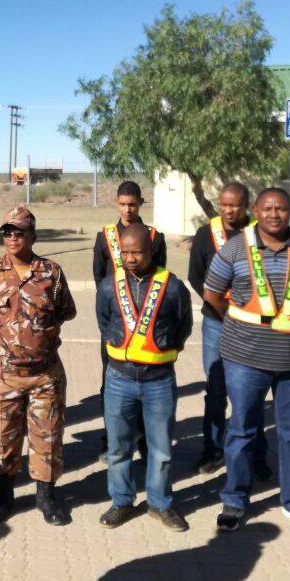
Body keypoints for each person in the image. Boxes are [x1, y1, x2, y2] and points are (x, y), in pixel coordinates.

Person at [203, 187, 290, 535]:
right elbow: (212, 295)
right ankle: (235, 500)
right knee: (242, 430)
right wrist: (240, 328)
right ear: (256, 212)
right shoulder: (234, 249)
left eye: (281, 209)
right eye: (267, 209)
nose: (274, 215)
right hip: (244, 359)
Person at [0, 206, 76, 526]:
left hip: (44, 374)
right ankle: (4, 495)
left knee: (47, 437)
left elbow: (65, 312)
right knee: (1, 438)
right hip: (2, 375)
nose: (13, 238)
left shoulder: (51, 272)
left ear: (32, 236)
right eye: (7, 233)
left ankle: (46, 497)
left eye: (19, 232)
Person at [96, 224, 192, 532]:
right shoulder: (109, 286)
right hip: (119, 379)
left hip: (159, 380)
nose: (131, 258)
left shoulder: (173, 286)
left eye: (137, 252)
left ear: (151, 252)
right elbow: (103, 321)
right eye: (125, 252)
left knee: (161, 448)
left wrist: (164, 347)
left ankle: (160, 503)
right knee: (118, 446)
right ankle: (121, 501)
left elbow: (184, 325)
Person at [187, 182, 272, 479]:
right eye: (223, 204)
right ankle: (211, 450)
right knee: (215, 389)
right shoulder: (206, 233)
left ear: (247, 205)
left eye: (234, 205)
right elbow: (195, 276)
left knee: (252, 391)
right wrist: (219, 307)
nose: (228, 210)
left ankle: (256, 455)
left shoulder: (261, 232)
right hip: (216, 322)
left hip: (252, 325)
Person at [92, 181, 166, 455]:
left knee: (147, 379)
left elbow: (161, 278)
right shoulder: (105, 236)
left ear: (141, 203)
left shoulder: (155, 237)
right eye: (122, 204)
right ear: (116, 203)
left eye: (132, 204)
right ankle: (111, 436)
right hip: (115, 320)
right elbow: (99, 278)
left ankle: (145, 438)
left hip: (146, 318)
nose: (127, 209)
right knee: (111, 379)